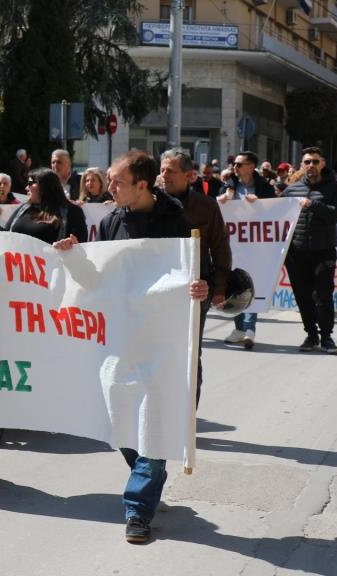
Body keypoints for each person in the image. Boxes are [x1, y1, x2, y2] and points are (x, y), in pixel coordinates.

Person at [55, 149, 208, 544]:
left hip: (161, 344)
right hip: (120, 342)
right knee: (121, 422)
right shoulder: (110, 223)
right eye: (109, 179)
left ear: (142, 185)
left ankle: (138, 509)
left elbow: (198, 276)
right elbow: (94, 280)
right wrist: (73, 258)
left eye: (117, 181)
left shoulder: (178, 224)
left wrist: (201, 288)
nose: (110, 187)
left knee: (152, 422)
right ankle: (148, 468)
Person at [159, 148, 230, 401]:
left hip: (196, 291)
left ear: (189, 175)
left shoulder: (206, 206)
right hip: (156, 290)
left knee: (189, 352)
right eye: (162, 170)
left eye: (170, 171)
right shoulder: (149, 202)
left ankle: (188, 413)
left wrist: (220, 288)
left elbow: (220, 247)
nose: (164, 175)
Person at [280, 147, 337, 353]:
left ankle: (326, 337)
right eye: (307, 162)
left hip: (323, 251)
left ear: (322, 164)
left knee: (323, 296)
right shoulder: (291, 190)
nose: (311, 165)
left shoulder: (333, 188)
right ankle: (311, 335)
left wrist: (313, 205)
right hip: (296, 253)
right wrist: (254, 202)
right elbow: (274, 212)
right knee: (303, 297)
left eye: (315, 162)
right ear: (302, 165)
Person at [217, 151, 275, 348]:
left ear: (251, 166)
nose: (235, 167)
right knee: (235, 284)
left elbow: (275, 211)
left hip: (256, 245)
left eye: (240, 164)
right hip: (233, 245)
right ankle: (239, 328)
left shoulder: (264, 188)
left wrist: (260, 203)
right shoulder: (228, 185)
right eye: (234, 164)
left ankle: (249, 328)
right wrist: (221, 199)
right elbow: (217, 210)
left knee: (252, 283)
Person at [5, 168, 88, 245]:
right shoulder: (23, 208)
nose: (26, 188)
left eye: (30, 183)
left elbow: (81, 245)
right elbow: (4, 235)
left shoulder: (72, 211)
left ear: (45, 186)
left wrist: (71, 244)